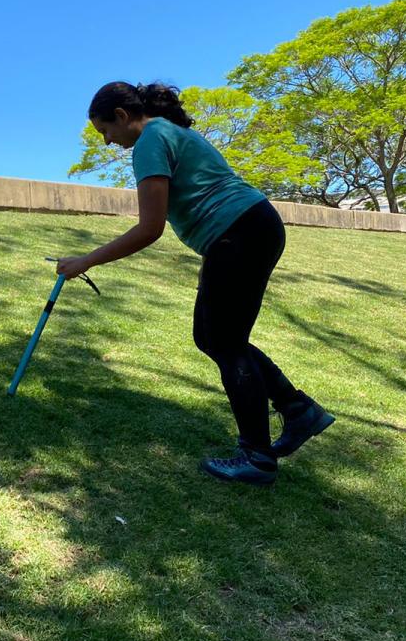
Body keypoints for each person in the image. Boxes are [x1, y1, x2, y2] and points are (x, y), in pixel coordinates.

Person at [56, 81, 334, 486]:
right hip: (248, 229)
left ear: (121, 115)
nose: (108, 141)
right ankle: (297, 410)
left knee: (223, 341)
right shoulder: (169, 132)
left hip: (239, 233)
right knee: (215, 337)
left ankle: (258, 457)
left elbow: (150, 229)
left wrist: (86, 260)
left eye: (106, 131)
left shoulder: (151, 140)